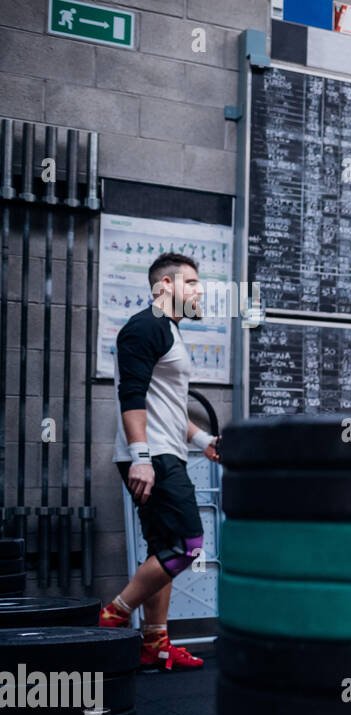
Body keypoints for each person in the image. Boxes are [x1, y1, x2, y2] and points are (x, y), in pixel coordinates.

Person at [98, 252, 220, 671]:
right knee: (187, 546)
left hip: (167, 452)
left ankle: (155, 642)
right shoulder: (144, 327)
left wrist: (203, 439)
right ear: (165, 286)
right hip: (153, 457)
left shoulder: (168, 330)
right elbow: (130, 397)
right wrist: (142, 458)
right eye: (191, 283)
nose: (198, 291)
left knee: (161, 549)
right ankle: (113, 615)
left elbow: (169, 406)